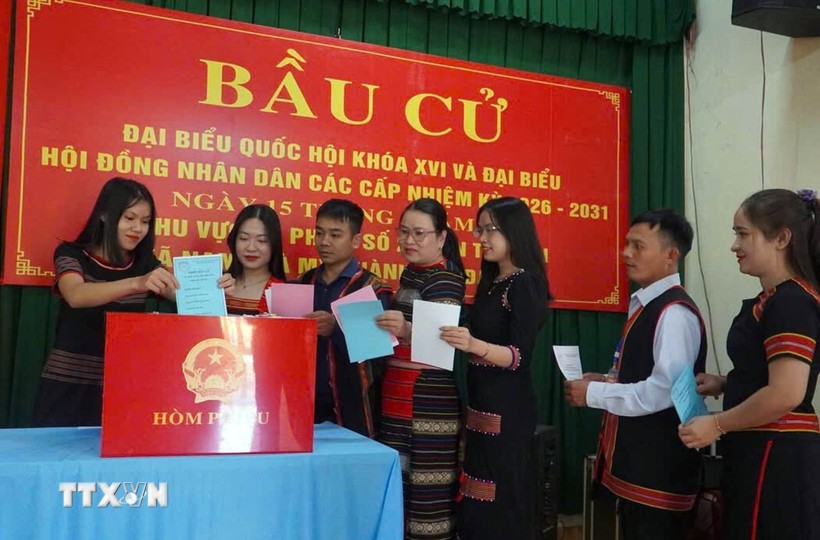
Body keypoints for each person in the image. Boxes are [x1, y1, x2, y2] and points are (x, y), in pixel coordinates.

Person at [31, 177, 234, 427]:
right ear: (104, 215)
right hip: (67, 385)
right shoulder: (71, 254)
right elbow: (76, 295)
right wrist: (137, 283)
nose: (138, 228)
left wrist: (215, 289)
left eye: (145, 222)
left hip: (121, 388)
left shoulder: (144, 262)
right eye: (129, 218)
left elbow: (183, 295)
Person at [679, 188, 820, 540]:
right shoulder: (774, 298)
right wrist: (726, 383)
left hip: (777, 454)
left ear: (781, 238)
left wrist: (717, 424)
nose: (734, 245)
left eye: (743, 233)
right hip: (759, 448)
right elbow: (770, 372)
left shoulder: (791, 301)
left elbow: (787, 391)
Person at [565, 208, 707, 540]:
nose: (626, 253)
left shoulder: (673, 313)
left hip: (658, 476)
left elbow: (663, 390)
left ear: (671, 255)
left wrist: (594, 395)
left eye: (638, 246)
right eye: (627, 243)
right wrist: (606, 380)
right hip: (638, 472)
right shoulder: (647, 304)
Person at [439, 196, 550, 540]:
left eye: (491, 229)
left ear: (514, 232)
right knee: (475, 490)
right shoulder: (492, 283)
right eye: (480, 229)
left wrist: (474, 345)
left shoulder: (525, 283)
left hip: (507, 410)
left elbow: (518, 356)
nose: (482, 237)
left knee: (498, 494)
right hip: (481, 403)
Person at [375, 198, 466, 540]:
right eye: (404, 232)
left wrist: (408, 330)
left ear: (441, 237)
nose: (409, 240)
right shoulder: (412, 272)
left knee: (427, 505)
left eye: (419, 234)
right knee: (400, 494)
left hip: (427, 402)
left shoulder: (446, 278)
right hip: (398, 397)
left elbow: (442, 345)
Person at [296, 199, 390, 438]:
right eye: (319, 233)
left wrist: (335, 329)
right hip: (304, 404)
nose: (324, 242)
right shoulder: (303, 283)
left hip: (352, 407)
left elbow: (375, 356)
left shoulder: (370, 288)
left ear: (355, 240)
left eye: (335, 235)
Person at [225, 204, 286, 315]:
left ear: (274, 244)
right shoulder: (219, 283)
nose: (251, 248)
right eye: (244, 238)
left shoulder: (283, 293)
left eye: (262, 240)